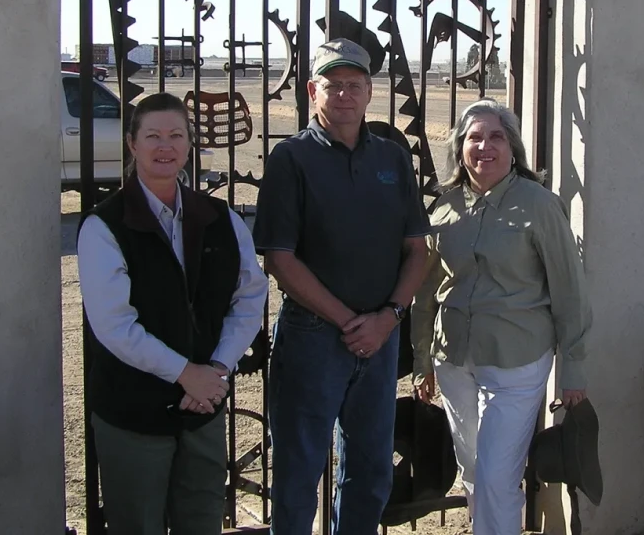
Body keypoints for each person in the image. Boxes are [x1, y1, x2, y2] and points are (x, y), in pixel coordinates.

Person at [252, 38, 431, 535]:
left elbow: (417, 250)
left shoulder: (393, 159)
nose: (345, 95)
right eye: (333, 85)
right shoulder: (291, 159)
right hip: (314, 339)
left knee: (370, 473)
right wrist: (352, 323)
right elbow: (280, 259)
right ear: (313, 91)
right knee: (298, 474)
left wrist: (388, 318)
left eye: (355, 85)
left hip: (380, 339)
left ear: (370, 91)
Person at [77, 91, 269, 534]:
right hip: (134, 413)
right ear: (132, 144)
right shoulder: (104, 226)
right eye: (153, 136)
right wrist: (186, 373)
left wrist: (216, 368)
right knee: (138, 524)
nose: (165, 146)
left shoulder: (219, 218)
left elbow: (250, 294)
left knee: (201, 520)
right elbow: (114, 325)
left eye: (176, 135)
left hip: (203, 407)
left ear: (188, 144)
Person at [411, 99, 593, 535]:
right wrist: (422, 360)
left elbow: (570, 291)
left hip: (517, 361)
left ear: (512, 147)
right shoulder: (444, 208)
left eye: (496, 136)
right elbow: (424, 292)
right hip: (452, 358)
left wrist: (575, 368)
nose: (484, 146)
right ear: (460, 148)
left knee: (496, 475)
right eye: (474, 137)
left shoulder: (539, 206)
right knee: (473, 466)